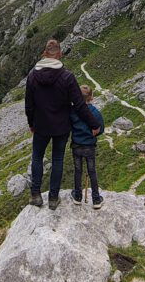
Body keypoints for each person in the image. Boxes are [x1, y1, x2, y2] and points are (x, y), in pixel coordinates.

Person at [25, 39, 100, 210]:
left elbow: (29, 104)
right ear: (59, 54)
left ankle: (35, 195)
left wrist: (31, 123)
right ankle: (53, 198)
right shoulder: (67, 77)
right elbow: (80, 105)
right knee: (57, 159)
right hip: (61, 126)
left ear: (44, 54)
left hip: (41, 125)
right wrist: (94, 124)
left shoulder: (32, 76)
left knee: (37, 157)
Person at [70, 84, 105, 209]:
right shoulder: (95, 112)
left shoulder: (73, 110)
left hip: (76, 146)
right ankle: (96, 199)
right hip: (89, 146)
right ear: (91, 97)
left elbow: (70, 125)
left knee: (77, 170)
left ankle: (77, 196)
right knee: (92, 171)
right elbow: (101, 129)